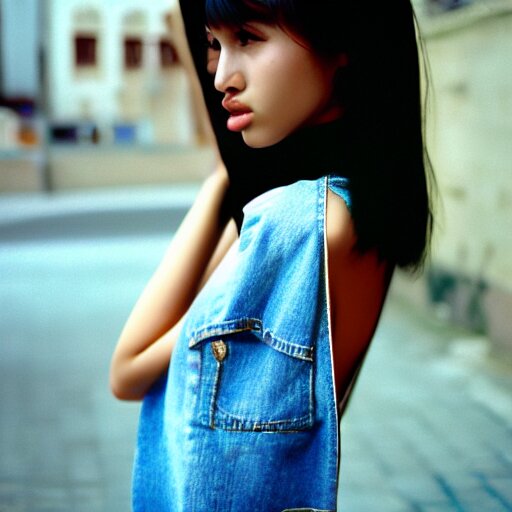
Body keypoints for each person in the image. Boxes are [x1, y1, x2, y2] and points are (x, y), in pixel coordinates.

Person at [110, 0, 435, 510]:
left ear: (342, 43)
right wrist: (232, 175)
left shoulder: (297, 224)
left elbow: (128, 370)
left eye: (248, 37)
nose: (221, 77)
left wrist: (224, 175)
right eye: (215, 44)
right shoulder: (353, 210)